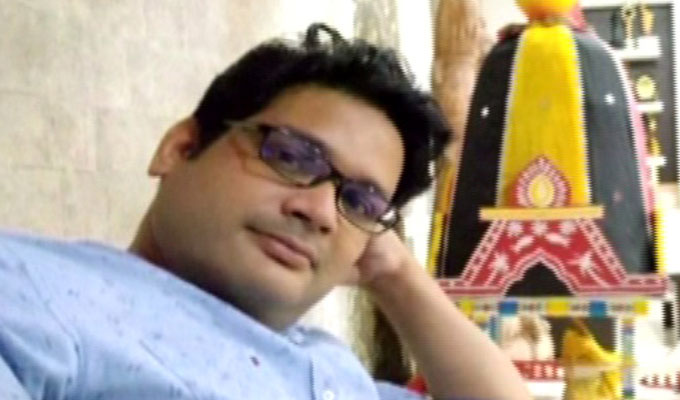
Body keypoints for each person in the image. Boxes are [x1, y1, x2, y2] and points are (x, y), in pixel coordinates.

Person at [0, 24, 531, 400]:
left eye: (359, 201)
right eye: (292, 157)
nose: (321, 212)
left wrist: (398, 276)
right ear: (180, 148)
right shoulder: (36, 289)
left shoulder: (329, 368)